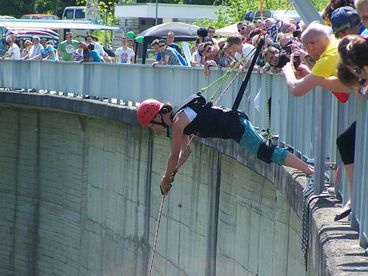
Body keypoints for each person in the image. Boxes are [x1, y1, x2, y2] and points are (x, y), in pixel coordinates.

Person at [136, 95, 314, 195]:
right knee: (266, 152)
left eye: (152, 125)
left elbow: (174, 155)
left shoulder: (178, 121)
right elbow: (186, 151)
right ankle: (309, 171)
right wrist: (173, 172)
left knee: (266, 152)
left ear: (159, 116)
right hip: (234, 127)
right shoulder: (180, 122)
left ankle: (310, 172)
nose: (154, 129)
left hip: (235, 126)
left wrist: (166, 179)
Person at [282, 22, 350, 101]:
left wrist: (288, 72)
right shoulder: (335, 43)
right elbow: (342, 87)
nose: (307, 52)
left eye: (306, 49)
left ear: (311, 46)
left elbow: (296, 90)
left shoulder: (327, 58)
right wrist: (310, 75)